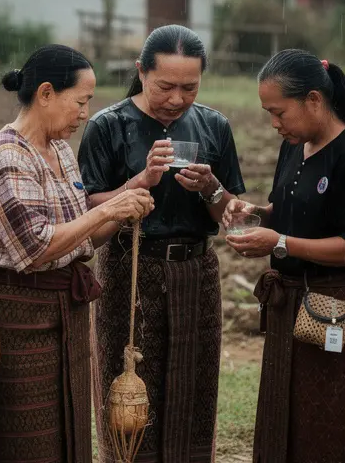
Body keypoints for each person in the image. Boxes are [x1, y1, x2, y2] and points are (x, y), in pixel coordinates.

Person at [0, 45, 154, 463]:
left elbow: (78, 240)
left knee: (69, 430)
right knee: (23, 437)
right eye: (81, 101)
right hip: (16, 316)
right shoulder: (7, 155)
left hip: (64, 313)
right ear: (46, 93)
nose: (85, 113)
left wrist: (125, 208)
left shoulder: (62, 151)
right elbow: (36, 248)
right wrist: (108, 209)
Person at [78, 25, 245, 462]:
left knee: (195, 381)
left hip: (196, 270)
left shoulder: (214, 126)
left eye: (190, 87)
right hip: (128, 270)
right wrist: (140, 181)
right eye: (165, 86)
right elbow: (87, 208)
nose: (177, 98)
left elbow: (228, 211)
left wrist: (210, 186)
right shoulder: (107, 126)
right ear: (141, 72)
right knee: (128, 384)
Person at [222, 49, 345, 462]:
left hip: (326, 307)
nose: (274, 124)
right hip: (285, 306)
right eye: (269, 114)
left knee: (321, 420)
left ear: (313, 100)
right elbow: (287, 210)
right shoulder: (294, 146)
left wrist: (279, 243)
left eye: (279, 113)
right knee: (280, 413)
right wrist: (256, 213)